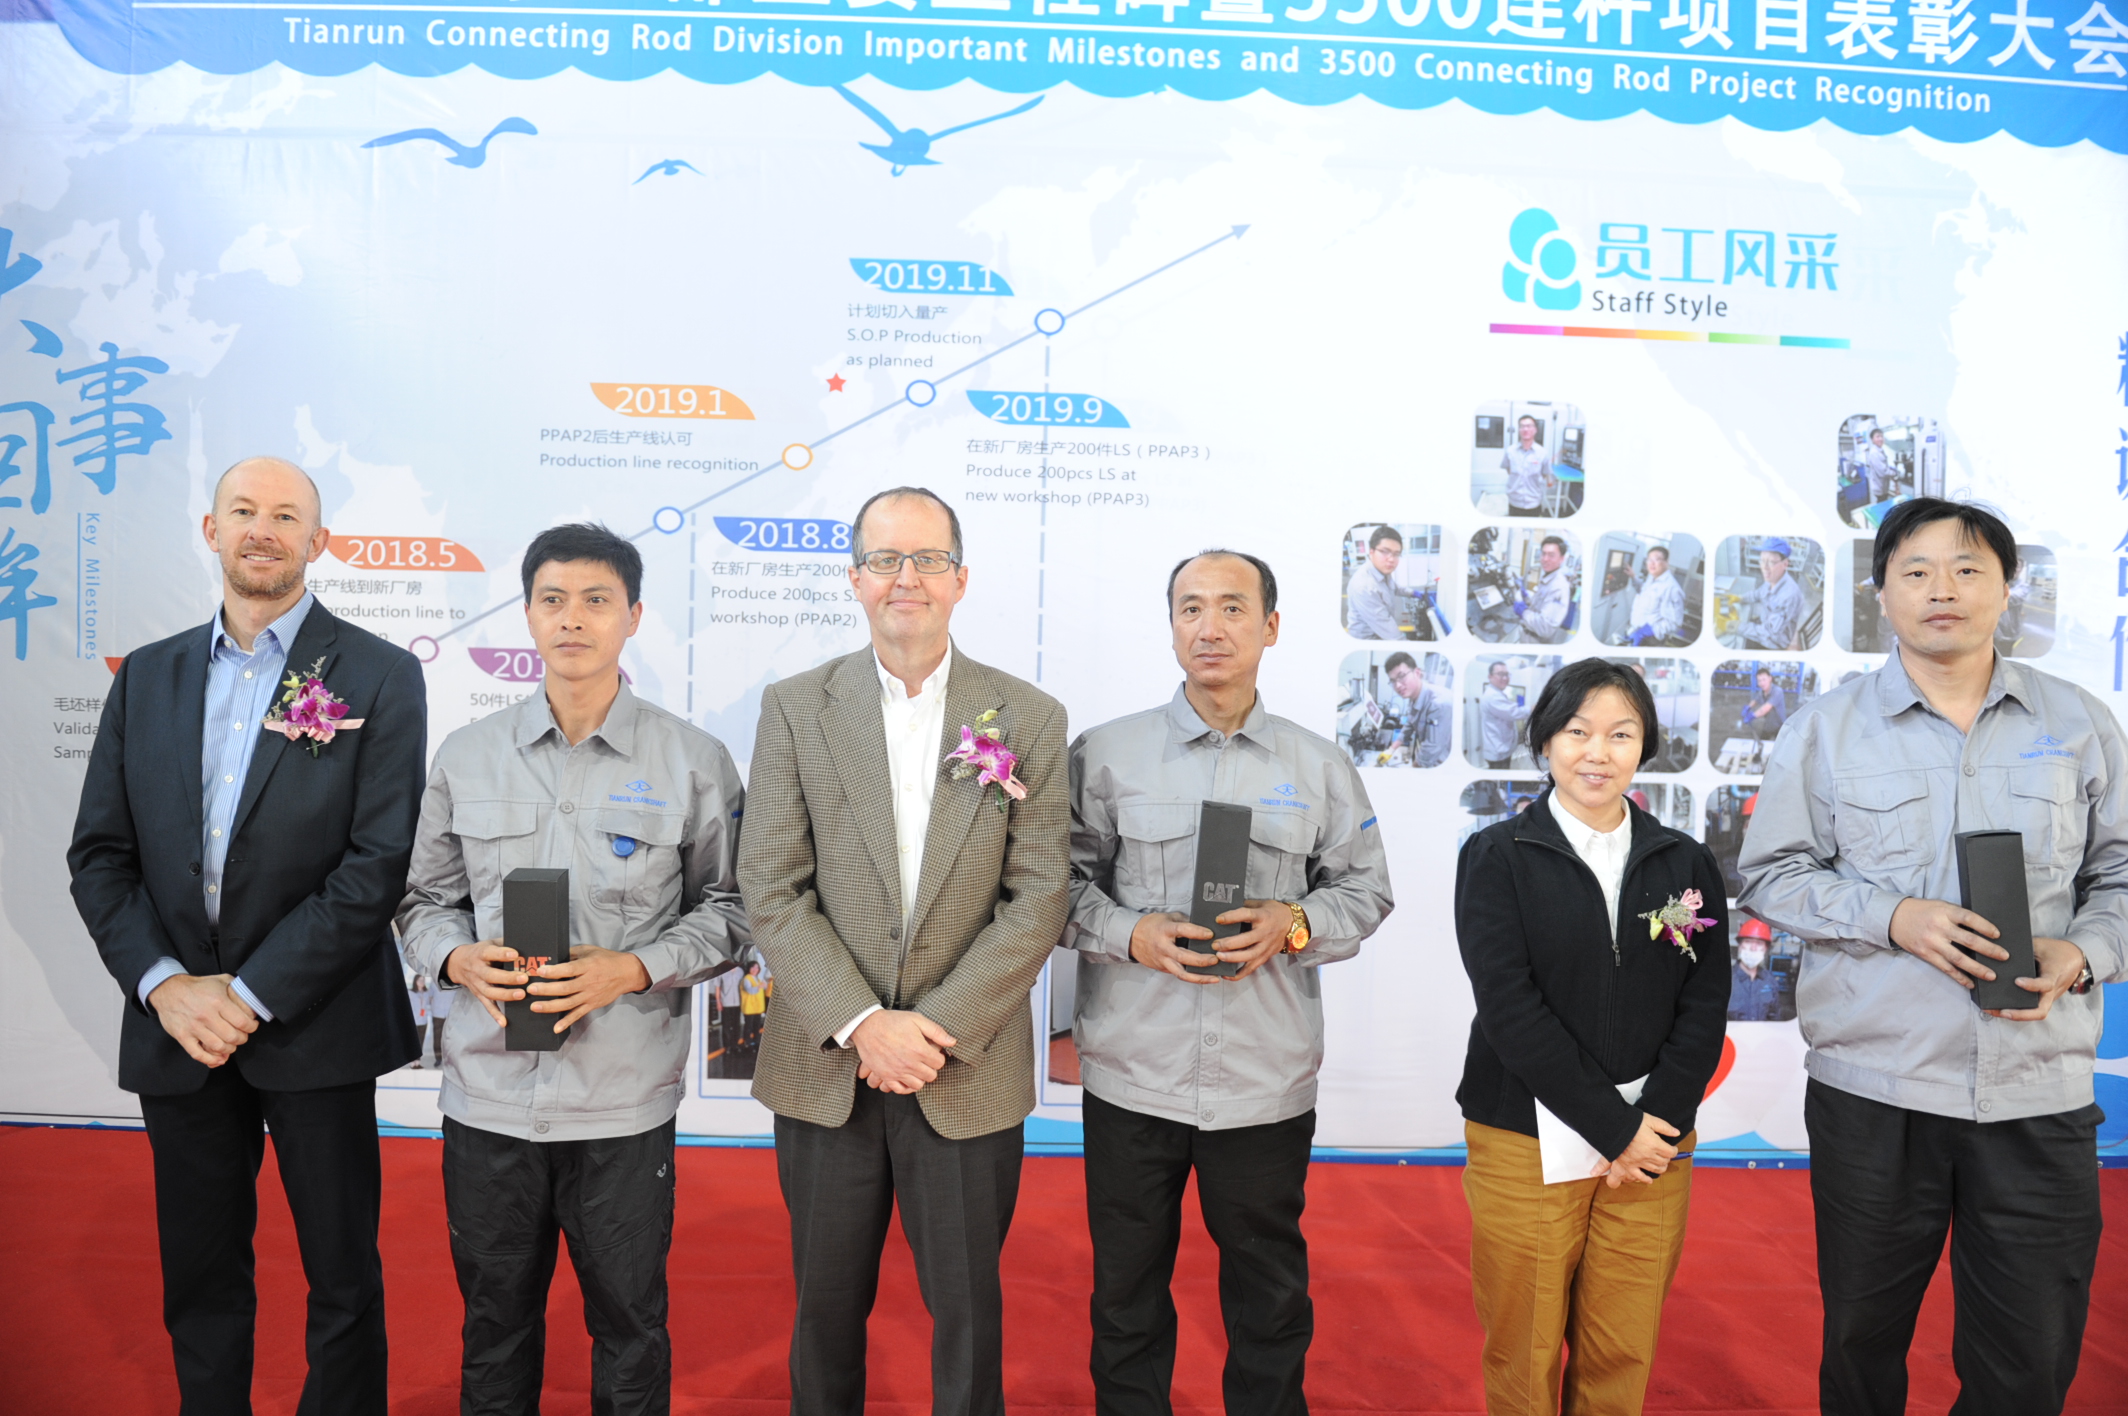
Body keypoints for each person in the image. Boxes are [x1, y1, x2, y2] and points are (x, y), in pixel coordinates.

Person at [1738, 498, 2123, 1416]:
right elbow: (1769, 876)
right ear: (1882, 593)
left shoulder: (2078, 723)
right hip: (1877, 1091)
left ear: (2007, 588)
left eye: (1967, 569)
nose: (1941, 589)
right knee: (1862, 1350)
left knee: (2029, 1361)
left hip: (2038, 1093)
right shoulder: (1826, 729)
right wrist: (1893, 917)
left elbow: (2120, 874)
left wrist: (2083, 951)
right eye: (1916, 571)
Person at [67, 455, 427, 1414]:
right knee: (200, 1276)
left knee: (342, 1276)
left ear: (318, 541)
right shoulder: (147, 677)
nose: (262, 529)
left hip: (318, 1022)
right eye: (243, 510)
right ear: (212, 530)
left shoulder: (380, 674)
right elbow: (99, 856)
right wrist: (164, 984)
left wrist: (250, 995)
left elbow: (376, 864)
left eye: (285, 515)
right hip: (177, 1030)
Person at [396, 522, 750, 1416]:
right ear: (527, 614)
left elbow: (734, 910)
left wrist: (631, 969)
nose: (573, 619)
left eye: (597, 601)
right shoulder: (467, 754)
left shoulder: (692, 761)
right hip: (488, 1098)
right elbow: (420, 901)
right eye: (552, 600)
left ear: (634, 617)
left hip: (620, 1103)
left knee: (630, 1326)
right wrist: (456, 957)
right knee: (494, 1326)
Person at [738, 486, 1071, 1416]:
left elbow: (1039, 894)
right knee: (824, 1315)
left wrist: (931, 1029)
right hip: (827, 1066)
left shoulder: (1028, 716)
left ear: (961, 578)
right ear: (855, 579)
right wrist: (862, 1023)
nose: (906, 578)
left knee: (967, 1319)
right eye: (885, 560)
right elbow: (770, 882)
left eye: (927, 559)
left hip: (964, 1069)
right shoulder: (797, 707)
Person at [1066, 549, 1394, 1416]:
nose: (1209, 627)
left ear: (1271, 627)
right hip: (1134, 1075)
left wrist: (1293, 923)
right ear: (1171, 624)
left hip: (1262, 1081)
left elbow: (1366, 891)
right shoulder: (1105, 754)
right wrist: (1129, 932)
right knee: (1126, 1297)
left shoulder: (1319, 765)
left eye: (1233, 608)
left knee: (1270, 1299)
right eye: (1191, 608)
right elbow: (1048, 888)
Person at [1453, 657, 1729, 1416]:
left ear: (1645, 746)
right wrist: (1615, 1128)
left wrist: (1657, 1124)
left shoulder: (1684, 860)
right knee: (1525, 1346)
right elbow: (1509, 1008)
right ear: (1545, 740)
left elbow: (1705, 1001)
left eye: (1620, 734)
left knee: (1622, 1346)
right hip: (1525, 1136)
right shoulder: (1497, 856)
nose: (1597, 753)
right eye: (1577, 732)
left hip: (1655, 1144)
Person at [1345, 525, 1412, 642]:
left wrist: (1414, 593)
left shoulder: (1382, 571)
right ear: (1371, 552)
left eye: (1396, 554)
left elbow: (1394, 587)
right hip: (1367, 641)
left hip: (1380, 633)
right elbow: (1392, 634)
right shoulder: (1364, 586)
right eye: (1385, 552)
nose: (1391, 559)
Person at [1738, 538, 1806, 651]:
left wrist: (1737, 627)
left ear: (1785, 564)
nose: (1764, 567)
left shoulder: (1789, 596)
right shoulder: (1772, 578)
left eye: (1771, 562)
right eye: (1762, 560)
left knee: (1738, 645)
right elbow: (1758, 594)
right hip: (1765, 623)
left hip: (1774, 641)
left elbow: (1769, 633)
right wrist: (1739, 598)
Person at [1385, 650, 1450, 767]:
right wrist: (1391, 749)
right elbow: (1410, 723)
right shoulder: (1414, 696)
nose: (1398, 685)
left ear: (1417, 673)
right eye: (1393, 681)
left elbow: (1432, 748)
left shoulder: (1438, 703)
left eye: (1401, 676)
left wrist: (1412, 771)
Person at [1512, 534, 1574, 645]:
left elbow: (1545, 627)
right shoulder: (1547, 577)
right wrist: (1527, 598)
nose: (1545, 559)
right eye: (1543, 554)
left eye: (1551, 555)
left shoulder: (1558, 587)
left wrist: (1523, 612)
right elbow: (1541, 605)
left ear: (1561, 559)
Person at [1624, 545, 1685, 647]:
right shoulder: (1652, 578)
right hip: (1635, 631)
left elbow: (1674, 623)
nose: (1652, 563)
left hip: (1650, 639)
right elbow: (1645, 592)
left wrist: (1646, 632)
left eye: (1657, 560)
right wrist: (1633, 577)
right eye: (1649, 560)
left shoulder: (1672, 589)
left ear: (1666, 562)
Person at [1728, 918, 1786, 1022]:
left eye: (1759, 943)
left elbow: (1775, 1019)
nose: (1753, 948)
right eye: (1748, 942)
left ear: (1765, 949)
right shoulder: (1724, 980)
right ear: (1740, 946)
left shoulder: (1770, 981)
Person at [1477, 660, 1531, 771]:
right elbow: (1514, 713)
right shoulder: (1493, 696)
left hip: (1501, 748)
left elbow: (1508, 708)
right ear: (1490, 676)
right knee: (1500, 779)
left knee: (1501, 777)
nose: (1505, 678)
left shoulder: (1497, 694)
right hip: (1498, 751)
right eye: (1501, 674)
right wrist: (1533, 708)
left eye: (1506, 674)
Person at [1501, 415, 1556, 517]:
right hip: (1514, 501)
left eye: (1529, 426)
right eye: (1522, 426)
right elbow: (1509, 470)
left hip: (1534, 502)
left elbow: (1544, 474)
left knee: (1532, 527)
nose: (1525, 429)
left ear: (1535, 430)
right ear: (1519, 430)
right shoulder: (1510, 451)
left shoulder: (1543, 453)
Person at [1740, 667, 1787, 741]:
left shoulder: (1777, 691)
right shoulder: (1762, 692)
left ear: (1770, 678)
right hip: (1769, 725)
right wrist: (1748, 707)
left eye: (1764, 679)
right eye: (1759, 681)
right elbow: (1755, 700)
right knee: (1762, 743)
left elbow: (1765, 709)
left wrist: (1751, 716)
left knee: (1781, 745)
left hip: (1780, 726)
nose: (1762, 683)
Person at [1857, 426, 1898, 504]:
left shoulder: (1880, 450)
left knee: (1882, 502)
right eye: (1877, 436)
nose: (1880, 439)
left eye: (1881, 436)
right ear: (1872, 440)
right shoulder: (1874, 453)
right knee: (1881, 504)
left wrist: (1890, 469)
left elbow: (1883, 466)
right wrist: (1894, 473)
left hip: (1882, 486)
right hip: (1879, 487)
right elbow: (1883, 472)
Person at [425, 969, 453, 1067]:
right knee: (437, 1037)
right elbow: (429, 996)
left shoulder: (454, 983)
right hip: (437, 1013)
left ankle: (449, 1059)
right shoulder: (434, 982)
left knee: (450, 1037)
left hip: (450, 1014)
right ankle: (438, 1058)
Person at [740, 958, 768, 1051]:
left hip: (757, 1008)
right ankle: (747, 1043)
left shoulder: (758, 979)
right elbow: (749, 990)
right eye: (753, 967)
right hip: (749, 1007)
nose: (755, 969)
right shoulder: (746, 979)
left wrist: (763, 986)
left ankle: (756, 1042)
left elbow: (763, 989)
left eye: (757, 967)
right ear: (749, 968)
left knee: (756, 1026)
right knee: (748, 1027)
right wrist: (760, 986)